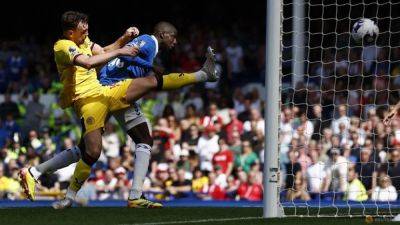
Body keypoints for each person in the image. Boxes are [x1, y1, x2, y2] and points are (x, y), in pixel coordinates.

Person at [19, 11, 217, 209]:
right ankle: (48, 181)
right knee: (91, 152)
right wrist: (123, 52)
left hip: (106, 91)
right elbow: (88, 62)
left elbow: (104, 51)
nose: (87, 30)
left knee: (150, 89)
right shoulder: (63, 46)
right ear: (71, 32)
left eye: (87, 26)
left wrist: (124, 38)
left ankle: (202, 75)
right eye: (82, 28)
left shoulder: (84, 41)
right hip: (88, 100)